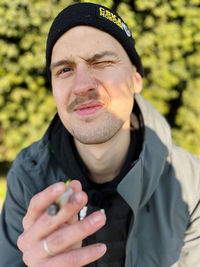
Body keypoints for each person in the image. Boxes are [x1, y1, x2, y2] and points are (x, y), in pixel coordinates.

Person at [0, 2, 200, 267]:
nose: (82, 86)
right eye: (65, 70)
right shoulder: (28, 179)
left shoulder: (190, 183)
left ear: (136, 78)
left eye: (102, 62)